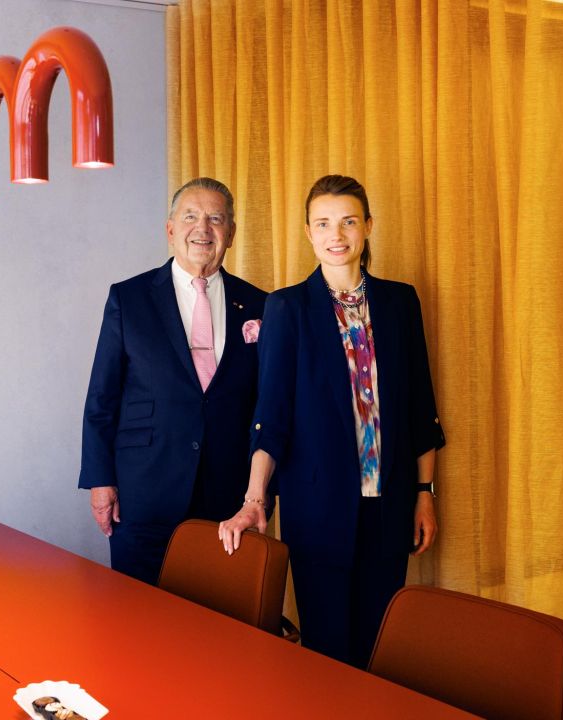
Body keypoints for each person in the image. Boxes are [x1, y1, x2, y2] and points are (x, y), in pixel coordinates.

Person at [218, 174, 445, 667]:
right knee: (327, 650)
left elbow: (420, 407)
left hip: (391, 505)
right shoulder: (287, 308)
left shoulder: (400, 303)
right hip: (317, 509)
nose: (336, 235)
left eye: (347, 222)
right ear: (308, 232)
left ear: (367, 227)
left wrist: (425, 495)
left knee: (382, 647)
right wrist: (255, 499)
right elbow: (271, 414)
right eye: (323, 224)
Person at [79, 177, 268, 585]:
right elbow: (102, 398)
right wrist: (100, 480)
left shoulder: (260, 304)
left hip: (227, 498)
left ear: (231, 233)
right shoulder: (129, 298)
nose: (203, 229)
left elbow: (267, 406)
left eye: (216, 219)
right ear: (170, 230)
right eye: (191, 217)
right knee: (140, 624)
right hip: (142, 494)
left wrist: (262, 492)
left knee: (220, 624)